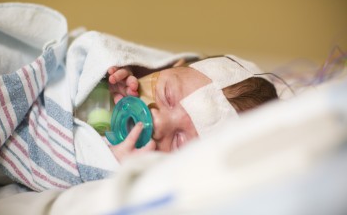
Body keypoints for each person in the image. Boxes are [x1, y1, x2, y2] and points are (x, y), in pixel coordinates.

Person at [106, 55, 278, 161]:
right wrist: (111, 74)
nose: (157, 122)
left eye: (179, 142)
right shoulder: (122, 79)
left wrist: (113, 166)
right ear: (167, 67)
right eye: (167, 95)